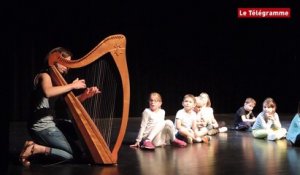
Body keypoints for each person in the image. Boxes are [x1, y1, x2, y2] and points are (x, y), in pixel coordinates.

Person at [19, 47, 101, 167]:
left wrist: (85, 95)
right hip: (41, 126)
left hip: (52, 123)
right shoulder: (44, 76)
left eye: (68, 63)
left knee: (78, 144)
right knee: (70, 156)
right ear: (54, 61)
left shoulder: (57, 80)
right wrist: (72, 86)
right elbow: (48, 92)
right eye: (64, 63)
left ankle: (42, 146)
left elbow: (65, 103)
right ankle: (35, 148)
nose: (67, 67)